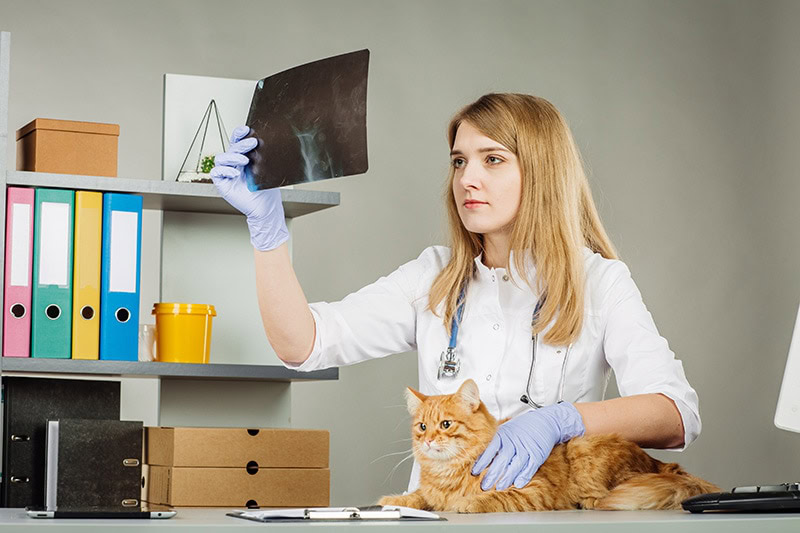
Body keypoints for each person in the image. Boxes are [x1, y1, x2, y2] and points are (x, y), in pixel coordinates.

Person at [210, 93, 700, 494]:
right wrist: (267, 233)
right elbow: (303, 344)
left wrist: (561, 420)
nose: (468, 178)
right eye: (459, 161)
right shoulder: (434, 277)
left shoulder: (599, 281)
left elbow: (675, 415)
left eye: (492, 159)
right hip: (441, 522)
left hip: (550, 519)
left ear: (543, 171)